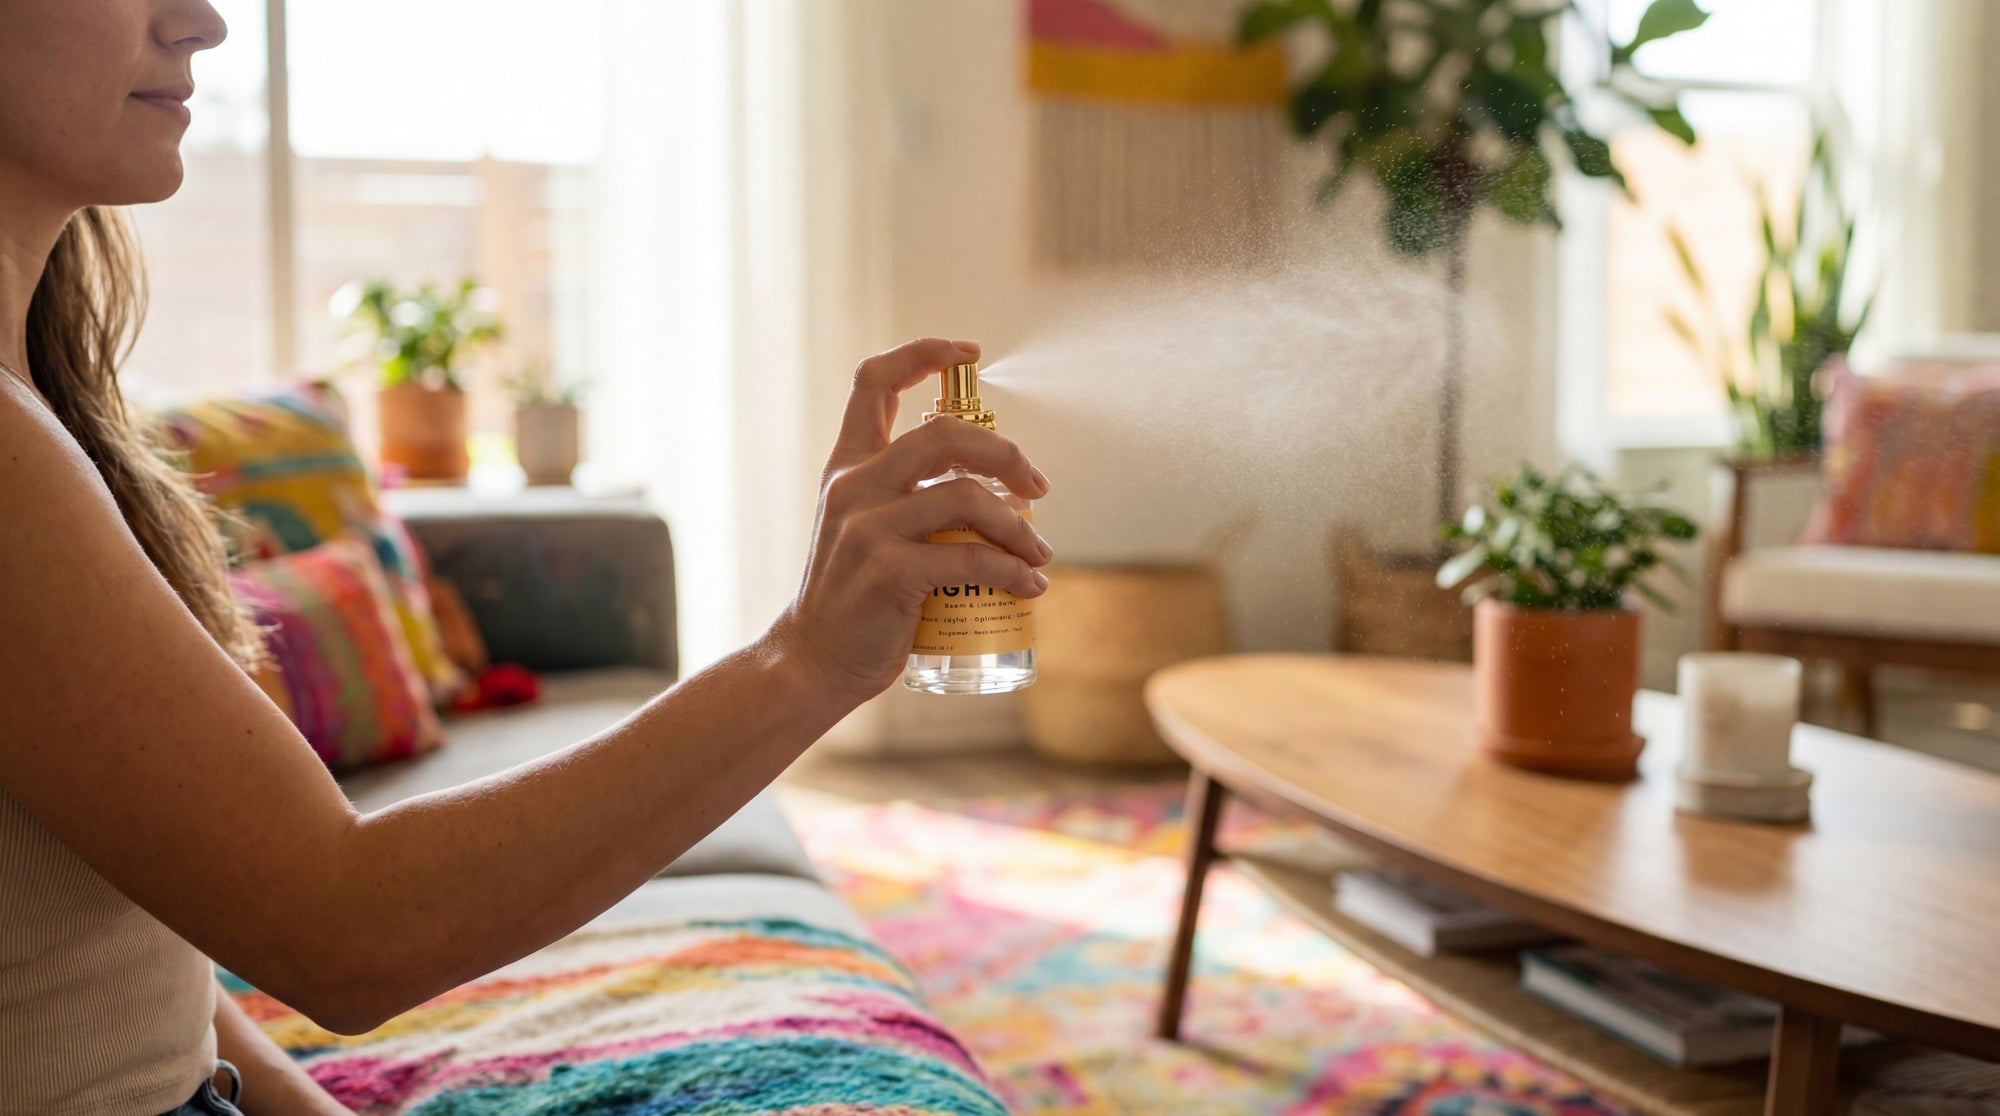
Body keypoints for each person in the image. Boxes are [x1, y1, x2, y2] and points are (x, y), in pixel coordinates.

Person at [0, 2, 1054, 1113]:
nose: (203, 21)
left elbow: (147, 928)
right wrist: (802, 661)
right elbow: (344, 932)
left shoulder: (45, 403)